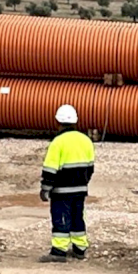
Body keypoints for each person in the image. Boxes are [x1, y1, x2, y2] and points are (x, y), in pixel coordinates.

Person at [38, 104, 95, 263]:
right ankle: (80, 248)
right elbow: (90, 167)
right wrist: (83, 182)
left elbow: (50, 169)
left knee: (61, 217)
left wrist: (45, 188)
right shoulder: (86, 141)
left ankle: (59, 251)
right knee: (78, 217)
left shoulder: (58, 142)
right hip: (80, 189)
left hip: (61, 190)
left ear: (58, 121)